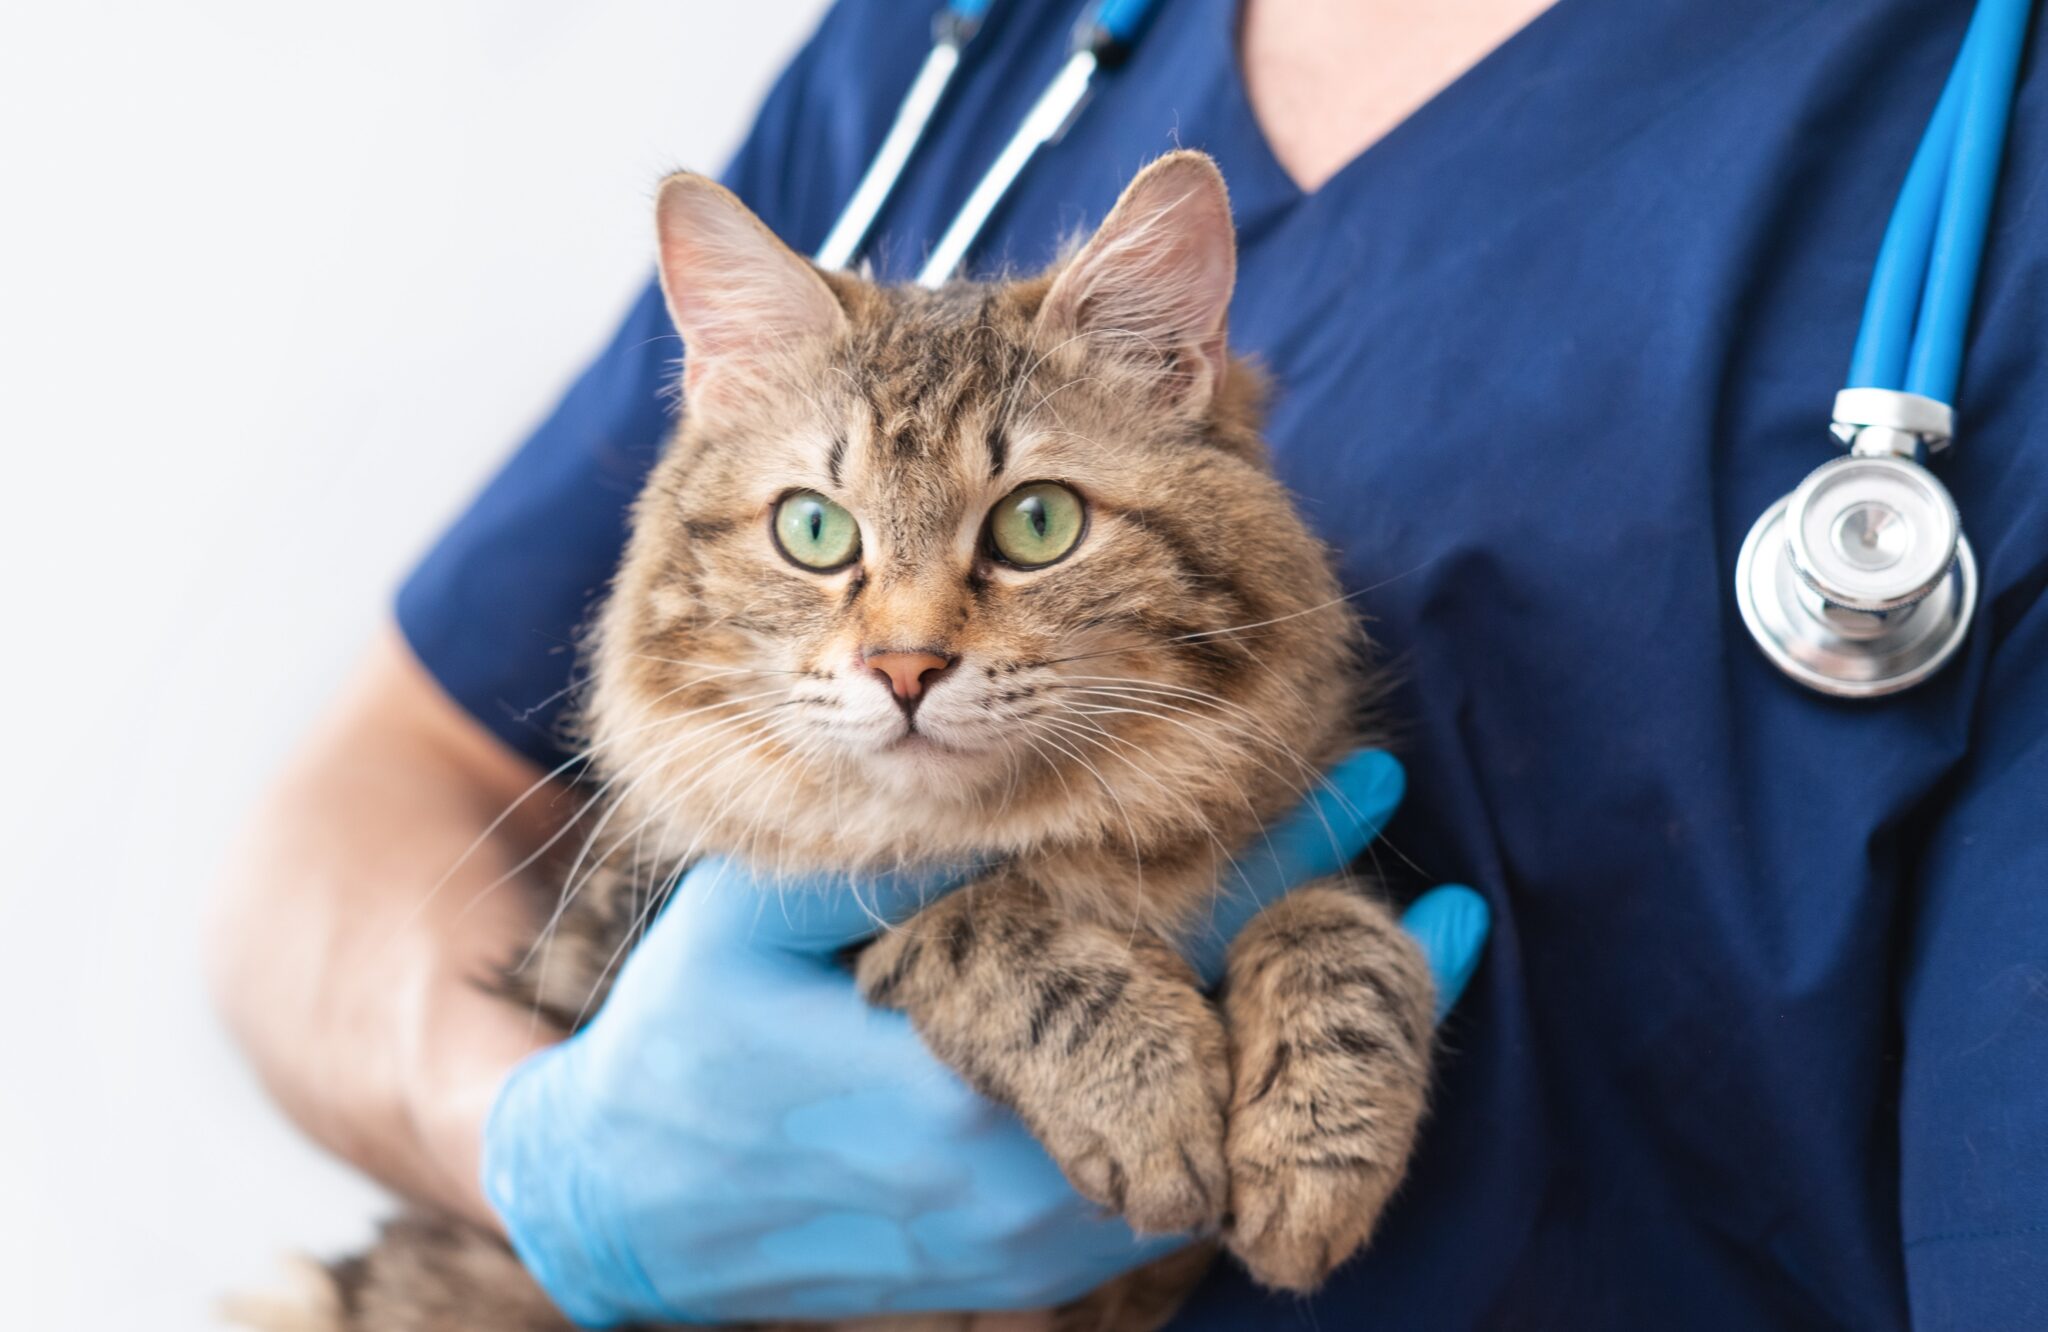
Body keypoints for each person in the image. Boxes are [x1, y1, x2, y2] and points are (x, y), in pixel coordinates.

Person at [208, 0, 2048, 1328]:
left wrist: (1326, 959)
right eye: (828, 541)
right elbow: (374, 799)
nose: (910, 643)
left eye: (1023, 533)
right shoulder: (948, 54)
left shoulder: (1987, 142)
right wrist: (541, 1152)